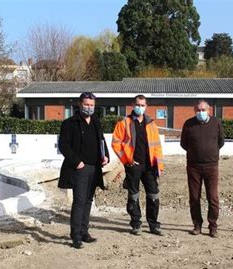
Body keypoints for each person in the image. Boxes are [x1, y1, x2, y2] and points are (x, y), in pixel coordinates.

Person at [58, 92, 109, 249]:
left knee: (88, 200)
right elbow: (63, 145)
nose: (89, 108)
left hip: (95, 167)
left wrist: (106, 155)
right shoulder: (69, 123)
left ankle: (84, 232)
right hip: (79, 168)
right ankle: (76, 235)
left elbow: (101, 140)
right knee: (79, 200)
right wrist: (77, 162)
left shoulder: (95, 121)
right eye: (87, 105)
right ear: (80, 105)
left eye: (92, 105)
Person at [111, 95, 164, 236]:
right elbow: (116, 143)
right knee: (133, 196)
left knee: (153, 195)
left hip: (150, 166)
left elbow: (157, 146)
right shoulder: (124, 123)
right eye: (137, 105)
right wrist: (127, 160)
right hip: (133, 166)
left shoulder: (151, 124)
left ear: (146, 106)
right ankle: (136, 224)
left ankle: (154, 224)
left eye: (142, 105)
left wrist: (160, 166)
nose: (140, 107)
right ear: (132, 105)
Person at [180, 100, 224, 238]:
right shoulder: (188, 124)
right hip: (193, 166)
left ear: (209, 110)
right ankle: (197, 225)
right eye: (198, 110)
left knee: (213, 197)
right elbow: (184, 143)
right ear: (194, 110)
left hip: (211, 166)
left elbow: (221, 141)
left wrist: (210, 153)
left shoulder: (216, 123)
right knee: (194, 197)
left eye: (203, 110)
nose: (201, 112)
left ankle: (213, 226)